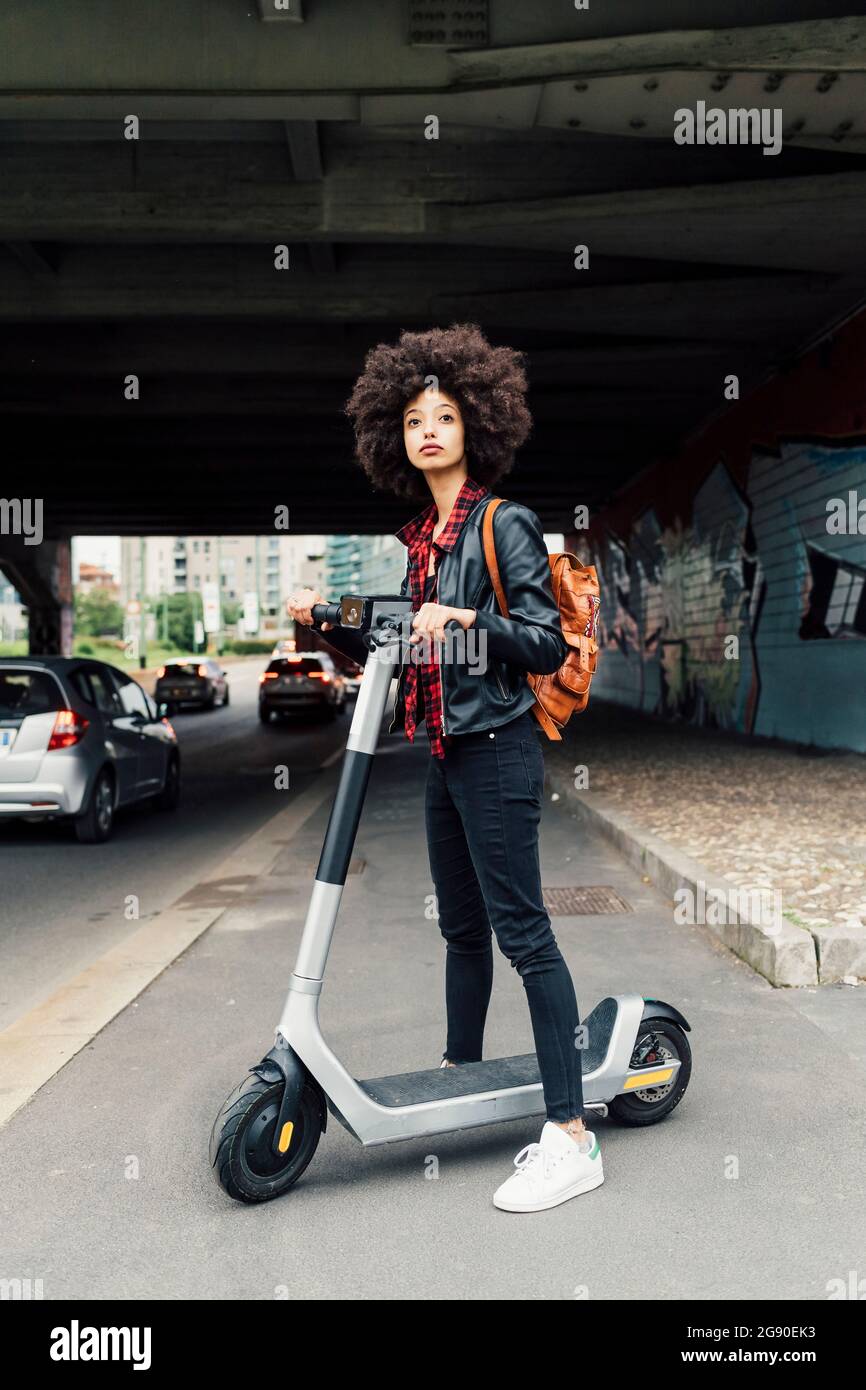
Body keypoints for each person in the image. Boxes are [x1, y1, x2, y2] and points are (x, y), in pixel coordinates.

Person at [288, 323, 603, 1212]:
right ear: (396, 438)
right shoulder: (422, 541)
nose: (430, 428)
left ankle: (574, 1137)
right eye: (415, 418)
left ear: (477, 427)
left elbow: (543, 642)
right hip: (443, 753)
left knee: (523, 932)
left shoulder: (504, 524)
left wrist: (470, 624)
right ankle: (460, 1073)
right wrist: (327, 616)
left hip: (500, 746)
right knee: (461, 932)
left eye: (447, 415)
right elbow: (395, 633)